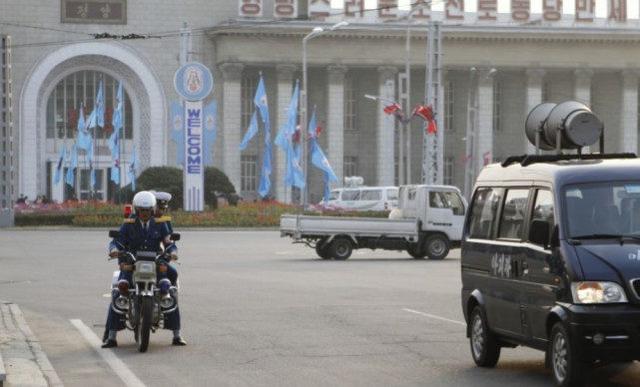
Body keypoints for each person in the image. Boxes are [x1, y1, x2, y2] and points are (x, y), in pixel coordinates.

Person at [102, 191, 186, 348]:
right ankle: (111, 336)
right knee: (120, 289)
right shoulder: (128, 224)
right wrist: (114, 250)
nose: (145, 213)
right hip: (132, 263)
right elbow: (118, 241)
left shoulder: (160, 224)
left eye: (148, 210)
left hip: (155, 262)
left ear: (152, 209)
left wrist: (173, 252)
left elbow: (169, 243)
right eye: (142, 210)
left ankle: (177, 334)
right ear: (136, 209)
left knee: (168, 289)